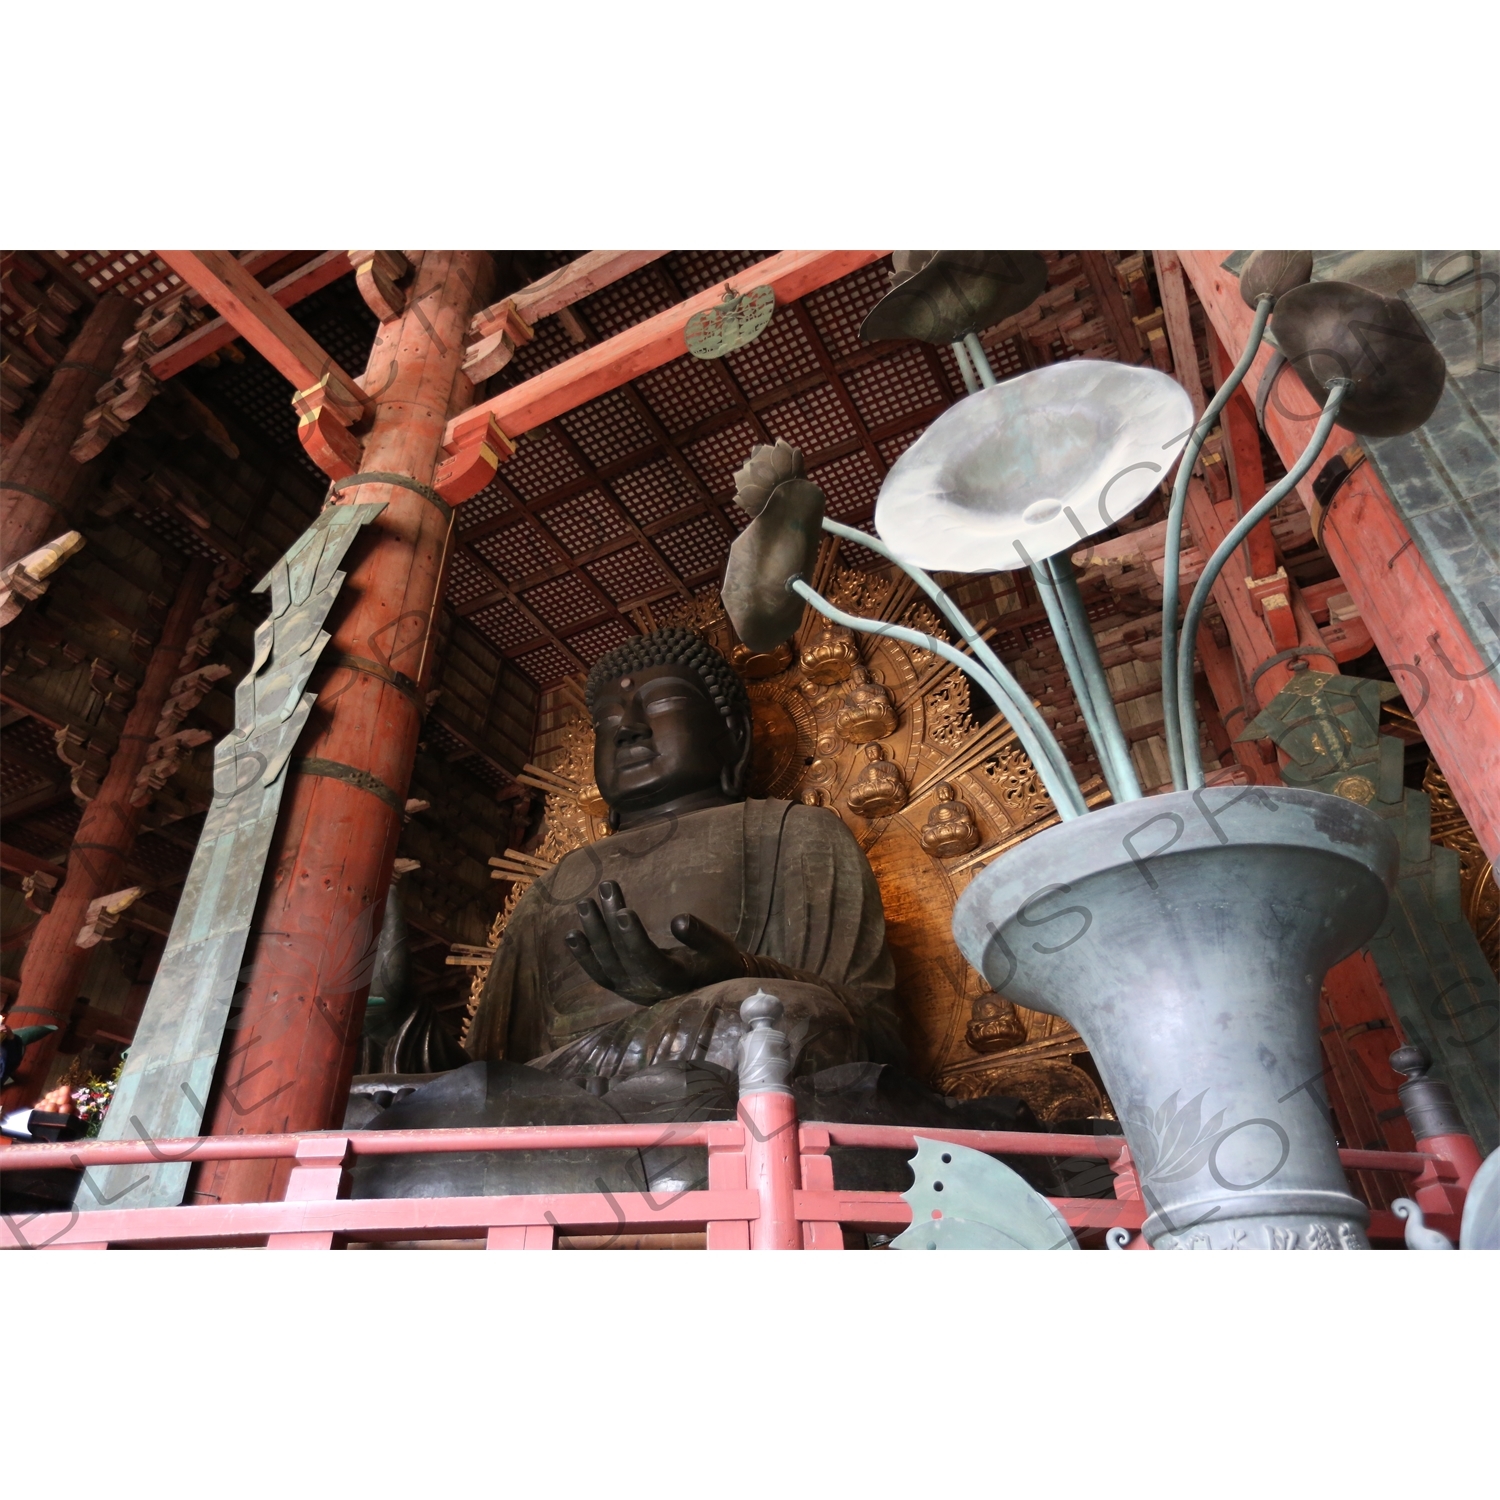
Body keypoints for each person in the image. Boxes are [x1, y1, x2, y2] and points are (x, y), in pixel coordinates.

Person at [466, 626, 904, 1085]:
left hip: (720, 1046)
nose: (628, 730)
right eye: (608, 723)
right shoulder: (555, 883)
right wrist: (400, 1028)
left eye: (662, 706)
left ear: (733, 735)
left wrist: (742, 971)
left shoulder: (796, 830)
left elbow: (873, 1030)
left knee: (792, 1019)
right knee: (453, 1090)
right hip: (562, 1081)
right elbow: (486, 1065)